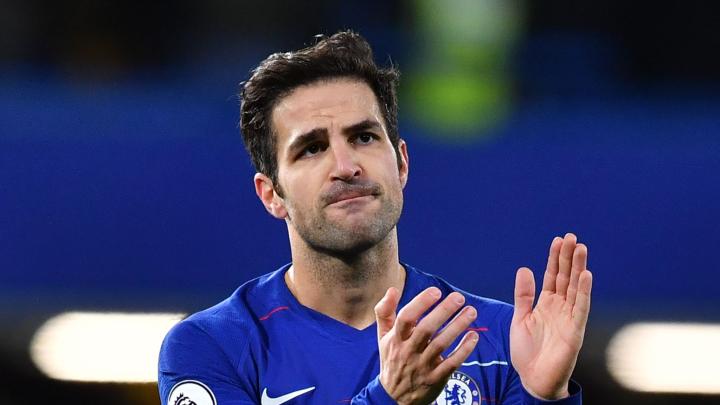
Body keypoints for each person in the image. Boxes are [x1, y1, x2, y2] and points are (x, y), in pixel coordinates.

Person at [158, 30, 593, 405]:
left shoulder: (497, 339)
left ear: (401, 164)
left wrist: (544, 396)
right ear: (272, 194)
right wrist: (390, 397)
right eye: (312, 148)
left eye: (364, 137)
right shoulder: (214, 346)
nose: (346, 166)